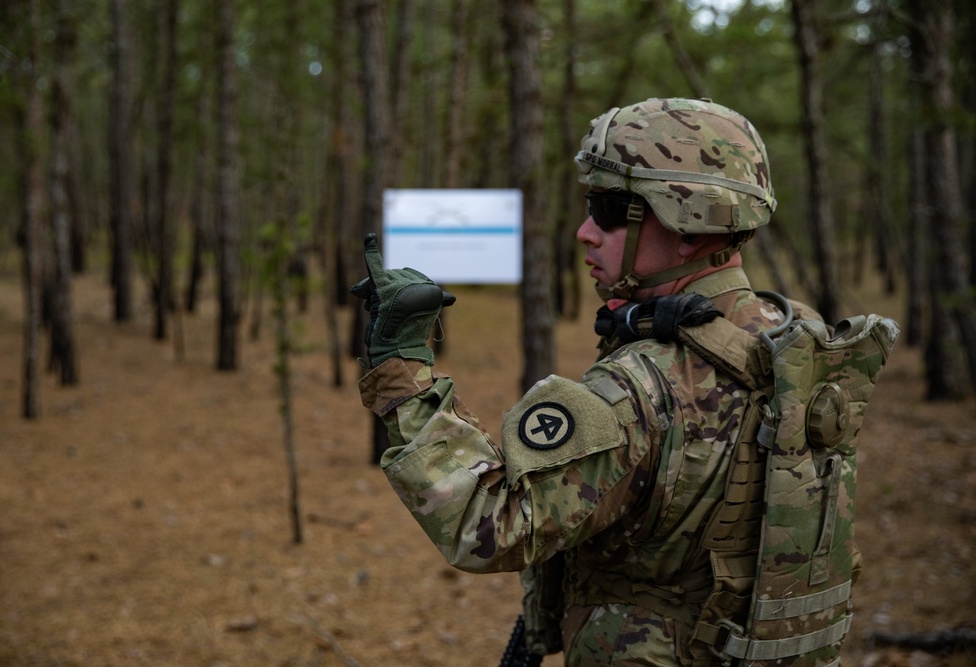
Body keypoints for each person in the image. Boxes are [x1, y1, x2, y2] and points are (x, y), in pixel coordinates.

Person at [352, 98, 825, 666]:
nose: (584, 232)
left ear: (689, 226)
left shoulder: (640, 388)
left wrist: (402, 367)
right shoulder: (793, 337)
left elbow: (489, 524)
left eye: (609, 209)